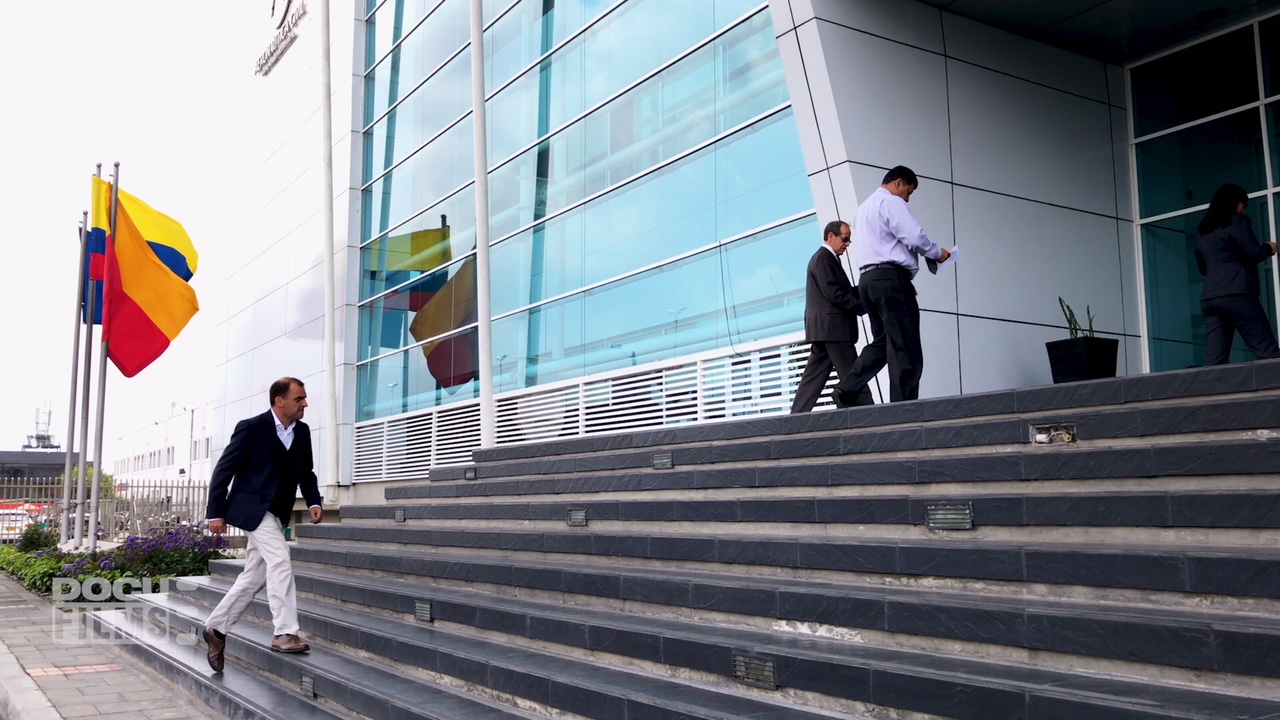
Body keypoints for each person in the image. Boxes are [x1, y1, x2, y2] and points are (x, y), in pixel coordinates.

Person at [202, 377, 323, 672]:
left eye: (304, 398)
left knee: (253, 578)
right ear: (279, 401)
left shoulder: (302, 431)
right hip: (251, 510)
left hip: (277, 513)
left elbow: (305, 471)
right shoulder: (252, 427)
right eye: (299, 399)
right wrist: (215, 512)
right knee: (280, 560)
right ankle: (285, 632)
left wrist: (314, 501)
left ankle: (215, 629)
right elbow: (224, 469)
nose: (305, 403)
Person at [833, 166, 950, 405]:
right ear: (898, 183)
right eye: (908, 191)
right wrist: (938, 253)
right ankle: (903, 406)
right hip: (891, 280)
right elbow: (914, 237)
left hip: (867, 281)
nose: (908, 197)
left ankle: (847, 388)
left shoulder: (863, 209)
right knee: (905, 345)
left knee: (883, 343)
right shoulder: (892, 202)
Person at [791, 221, 875, 412]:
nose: (847, 244)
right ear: (831, 236)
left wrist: (865, 289)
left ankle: (795, 418)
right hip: (834, 329)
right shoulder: (823, 258)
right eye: (844, 239)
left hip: (825, 329)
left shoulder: (825, 259)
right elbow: (834, 294)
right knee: (853, 374)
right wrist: (864, 306)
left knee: (813, 378)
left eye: (849, 240)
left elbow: (838, 291)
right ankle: (871, 412)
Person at [1196, 183, 1279, 365]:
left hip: (1210, 299)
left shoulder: (1203, 230)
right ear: (1235, 203)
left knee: (1215, 361)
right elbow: (1254, 253)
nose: (1243, 210)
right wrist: (1269, 247)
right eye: (1244, 204)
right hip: (1238, 294)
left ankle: (1212, 393)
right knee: (1267, 351)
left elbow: (1203, 269)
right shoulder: (1236, 222)